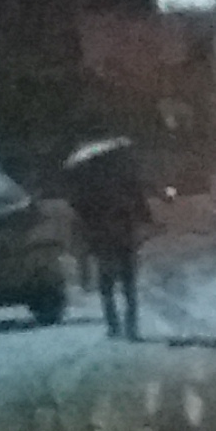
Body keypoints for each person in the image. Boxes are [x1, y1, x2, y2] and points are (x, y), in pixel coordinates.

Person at [65, 134, 151, 338]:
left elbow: (78, 206)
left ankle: (113, 325)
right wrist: (144, 218)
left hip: (101, 234)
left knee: (107, 283)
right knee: (128, 281)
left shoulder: (86, 180)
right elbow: (139, 200)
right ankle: (132, 327)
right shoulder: (124, 175)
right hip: (124, 232)